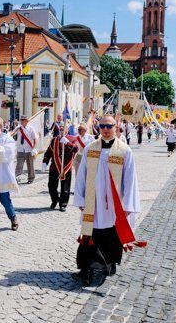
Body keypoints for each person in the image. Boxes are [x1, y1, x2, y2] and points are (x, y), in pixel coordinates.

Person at [73, 114, 142, 287]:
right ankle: (88, 268)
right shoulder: (90, 148)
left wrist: (127, 205)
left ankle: (107, 265)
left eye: (109, 126)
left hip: (114, 204)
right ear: (98, 128)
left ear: (116, 127)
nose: (105, 129)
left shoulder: (125, 151)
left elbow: (130, 180)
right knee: (91, 233)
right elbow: (82, 174)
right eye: (102, 126)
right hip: (93, 202)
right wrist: (81, 199)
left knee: (111, 234)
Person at [43, 128, 78, 212]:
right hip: (55, 166)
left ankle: (63, 204)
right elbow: (49, 151)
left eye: (63, 129)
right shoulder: (54, 139)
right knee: (51, 186)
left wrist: (68, 143)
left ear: (67, 130)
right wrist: (45, 161)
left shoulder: (72, 138)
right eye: (61, 129)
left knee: (65, 187)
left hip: (66, 166)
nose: (62, 130)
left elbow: (76, 149)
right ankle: (55, 200)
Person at [15, 115, 37, 184]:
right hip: (20, 149)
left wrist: (34, 147)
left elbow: (35, 138)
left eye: (23, 120)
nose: (22, 121)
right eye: (21, 120)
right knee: (19, 164)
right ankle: (16, 177)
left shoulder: (31, 128)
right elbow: (12, 133)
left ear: (27, 121)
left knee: (30, 164)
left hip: (28, 149)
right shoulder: (18, 128)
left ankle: (31, 178)